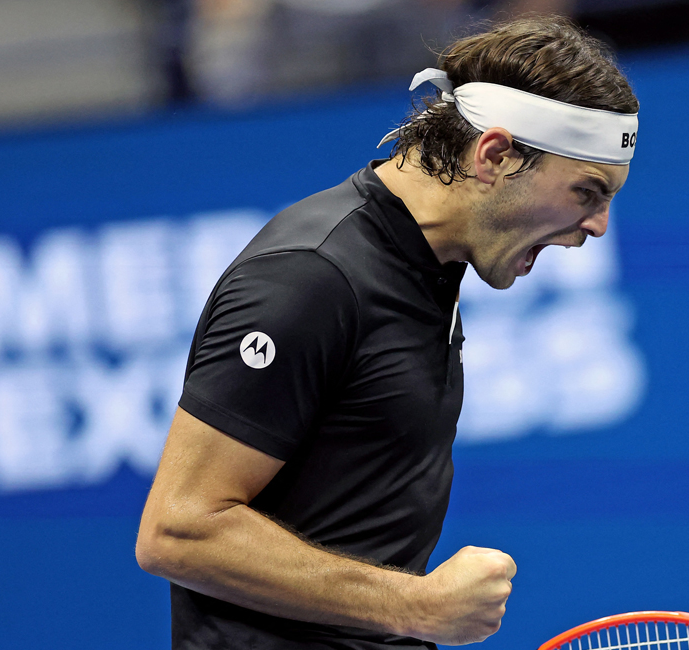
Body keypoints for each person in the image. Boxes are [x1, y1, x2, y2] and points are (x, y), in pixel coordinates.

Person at [135, 14, 639, 650]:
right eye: (587, 192)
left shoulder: (433, 263)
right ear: (495, 156)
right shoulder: (310, 279)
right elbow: (177, 530)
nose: (598, 225)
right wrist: (414, 605)